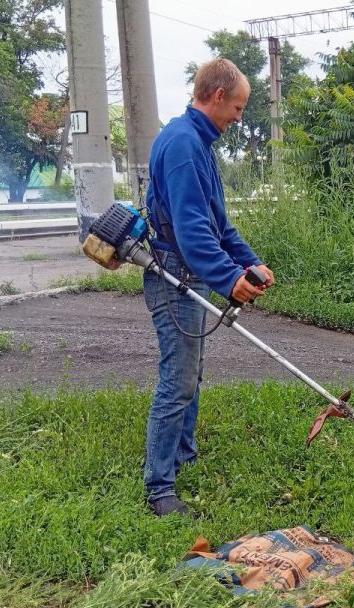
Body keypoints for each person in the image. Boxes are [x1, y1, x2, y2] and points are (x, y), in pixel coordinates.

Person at [143, 58, 274, 517]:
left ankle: (183, 456)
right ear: (217, 96)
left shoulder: (196, 141)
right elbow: (193, 231)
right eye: (237, 107)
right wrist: (230, 280)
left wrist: (249, 260)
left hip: (187, 269)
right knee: (177, 381)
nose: (239, 118)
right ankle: (160, 489)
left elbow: (218, 222)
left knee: (190, 374)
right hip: (173, 272)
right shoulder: (182, 144)